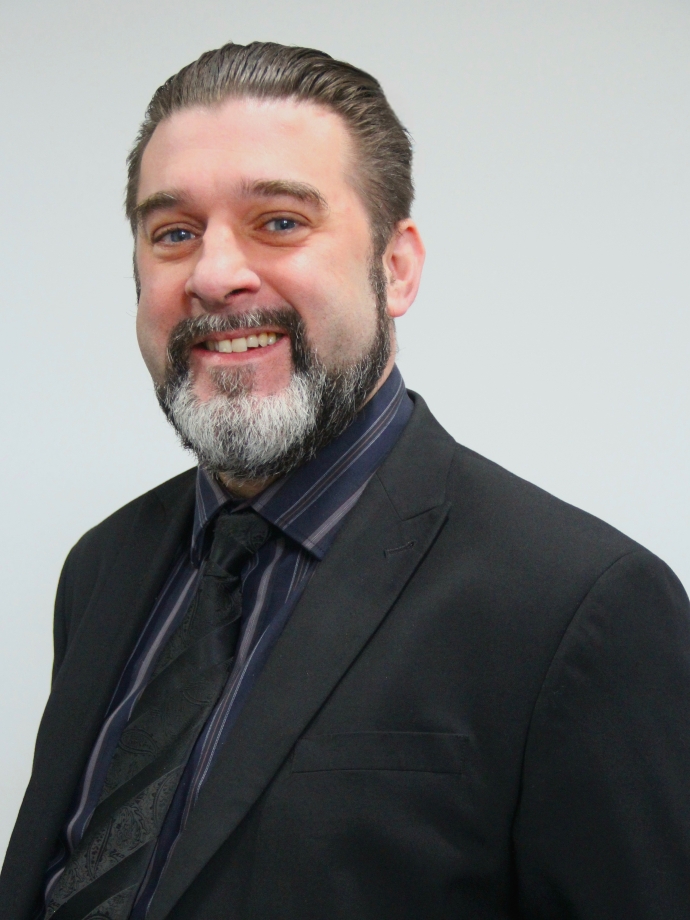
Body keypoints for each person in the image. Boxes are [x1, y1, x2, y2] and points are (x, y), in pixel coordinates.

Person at [2, 40, 689, 920]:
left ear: (396, 267)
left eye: (280, 222)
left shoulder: (579, 608)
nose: (214, 274)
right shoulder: (102, 567)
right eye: (174, 234)